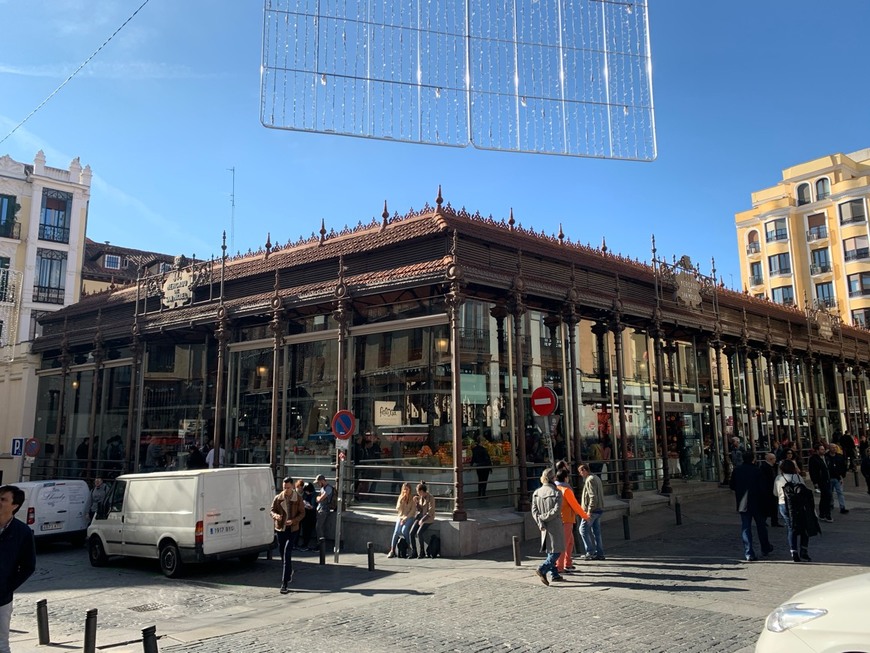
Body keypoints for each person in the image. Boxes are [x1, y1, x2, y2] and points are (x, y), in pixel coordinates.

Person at [0, 484, 37, 653]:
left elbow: (28, 566)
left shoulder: (22, 532)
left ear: (14, 506)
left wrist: (6, 587)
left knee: (1, 644)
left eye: (3, 499)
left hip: (1, 600)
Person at [729, 450, 773, 561]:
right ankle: (765, 547)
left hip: (743, 501)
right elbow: (763, 488)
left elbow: (732, 485)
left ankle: (748, 552)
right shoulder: (757, 471)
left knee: (746, 527)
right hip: (757, 501)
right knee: (761, 526)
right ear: (753, 459)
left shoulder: (737, 470)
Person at [774, 459, 819, 563]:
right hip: (799, 505)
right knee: (804, 526)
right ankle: (804, 550)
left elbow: (775, 493)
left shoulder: (779, 478)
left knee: (791, 527)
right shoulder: (798, 477)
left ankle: (793, 551)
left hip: (783, 504)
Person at [270, 476, 304, 594]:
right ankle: (289, 572)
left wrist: (294, 521)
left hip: (293, 529)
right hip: (281, 529)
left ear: (292, 486)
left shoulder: (297, 498)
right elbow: (272, 510)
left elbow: (302, 513)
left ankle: (284, 583)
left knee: (287, 552)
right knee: (282, 553)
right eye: (284, 487)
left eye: (288, 488)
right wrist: (276, 516)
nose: (286, 490)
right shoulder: (278, 498)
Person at [531, 468, 564, 585]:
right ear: (553, 478)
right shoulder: (556, 492)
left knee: (550, 550)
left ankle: (554, 574)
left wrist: (540, 521)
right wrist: (544, 517)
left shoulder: (536, 492)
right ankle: (542, 568)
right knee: (557, 551)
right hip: (554, 524)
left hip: (544, 527)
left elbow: (534, 511)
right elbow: (556, 510)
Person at [554, 468, 588, 575]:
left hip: (557, 519)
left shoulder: (554, 488)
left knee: (569, 542)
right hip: (566, 519)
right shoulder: (565, 490)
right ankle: (560, 566)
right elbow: (575, 505)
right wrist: (585, 516)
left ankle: (567, 563)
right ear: (565, 478)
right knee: (564, 543)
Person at [578, 463, 605, 561]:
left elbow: (592, 496)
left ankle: (590, 551)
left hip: (593, 510)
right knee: (596, 532)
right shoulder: (596, 478)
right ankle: (600, 552)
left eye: (580, 472)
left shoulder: (590, 480)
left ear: (584, 470)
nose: (580, 474)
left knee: (583, 529)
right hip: (599, 509)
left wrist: (589, 510)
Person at [387, 483, 416, 558]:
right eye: (404, 489)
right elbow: (398, 509)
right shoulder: (401, 497)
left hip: (409, 517)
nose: (405, 491)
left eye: (407, 489)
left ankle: (409, 548)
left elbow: (413, 511)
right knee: (396, 531)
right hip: (401, 517)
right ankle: (392, 550)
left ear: (410, 490)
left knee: (404, 530)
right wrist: (401, 501)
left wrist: (406, 518)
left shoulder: (412, 499)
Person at [408, 482, 435, 559]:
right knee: (411, 533)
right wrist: (416, 503)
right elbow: (420, 509)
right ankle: (414, 551)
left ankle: (422, 552)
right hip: (420, 517)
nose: (418, 494)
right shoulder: (420, 498)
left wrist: (422, 520)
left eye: (419, 492)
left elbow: (430, 511)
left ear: (422, 491)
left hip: (428, 518)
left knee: (419, 533)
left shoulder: (431, 498)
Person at [808, 443, 833, 522]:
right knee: (827, 496)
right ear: (817, 451)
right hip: (821, 480)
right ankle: (827, 514)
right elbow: (812, 471)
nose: (823, 451)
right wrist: (815, 482)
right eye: (821, 449)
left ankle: (822, 513)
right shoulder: (814, 459)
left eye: (823, 449)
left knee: (825, 497)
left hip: (828, 479)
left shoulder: (826, 457)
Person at [759, 453, 781, 527]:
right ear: (770, 459)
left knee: (774, 506)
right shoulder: (764, 467)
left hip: (773, 489)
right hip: (768, 490)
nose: (775, 460)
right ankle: (764, 520)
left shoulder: (773, 466)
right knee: (767, 506)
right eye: (774, 458)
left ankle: (774, 521)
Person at [826, 444, 849, 515]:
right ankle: (831, 504)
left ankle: (842, 507)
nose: (834, 449)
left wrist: (842, 476)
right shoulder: (826, 457)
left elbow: (843, 466)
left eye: (835, 447)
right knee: (830, 493)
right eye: (832, 447)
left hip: (838, 478)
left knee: (840, 492)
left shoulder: (839, 457)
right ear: (829, 448)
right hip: (829, 477)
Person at [296, 480, 317, 551]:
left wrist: (308, 505)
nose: (306, 492)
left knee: (307, 531)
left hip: (310, 515)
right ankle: (302, 544)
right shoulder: (306, 494)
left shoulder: (313, 495)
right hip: (305, 514)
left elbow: (313, 506)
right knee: (304, 530)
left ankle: (305, 544)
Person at [314, 474, 333, 544]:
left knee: (319, 527)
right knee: (319, 527)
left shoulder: (328, 488)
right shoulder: (323, 488)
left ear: (322, 481)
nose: (318, 484)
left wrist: (319, 498)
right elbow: (317, 498)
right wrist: (318, 498)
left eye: (318, 482)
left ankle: (320, 544)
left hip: (324, 510)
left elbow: (320, 498)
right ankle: (319, 543)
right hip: (320, 509)